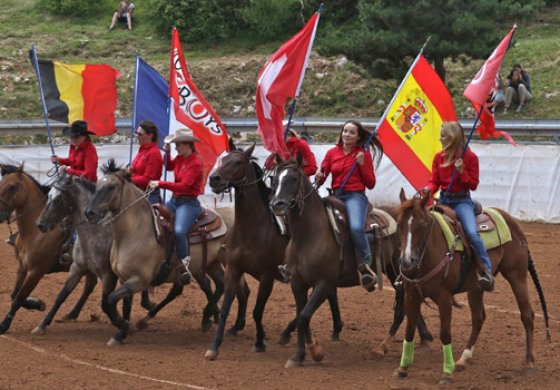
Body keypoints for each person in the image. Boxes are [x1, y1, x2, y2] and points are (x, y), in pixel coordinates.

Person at [424, 121, 494, 291]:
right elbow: (435, 181)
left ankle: (486, 270)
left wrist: (462, 172)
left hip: (462, 201)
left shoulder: (470, 158)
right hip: (444, 200)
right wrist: (427, 190)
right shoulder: (438, 157)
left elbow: (473, 185)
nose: (440, 139)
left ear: (453, 137)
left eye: (443, 135)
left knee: (471, 232)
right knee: (423, 225)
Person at [314, 120, 383, 292]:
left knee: (355, 228)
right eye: (345, 131)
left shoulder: (363, 154)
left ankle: (366, 264)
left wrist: (361, 165)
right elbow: (323, 176)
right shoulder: (332, 153)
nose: (347, 135)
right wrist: (318, 176)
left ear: (358, 137)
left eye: (352, 132)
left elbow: (371, 183)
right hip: (335, 195)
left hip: (355, 196)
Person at [148, 129, 202, 285]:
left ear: (187, 145)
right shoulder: (180, 158)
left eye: (177, 145)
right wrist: (167, 153)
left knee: (179, 231)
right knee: (154, 218)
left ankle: (185, 267)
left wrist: (160, 184)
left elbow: (185, 186)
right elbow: (170, 166)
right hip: (175, 200)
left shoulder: (196, 163)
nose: (176, 147)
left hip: (188, 203)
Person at [50, 120, 99, 265]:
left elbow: (89, 174)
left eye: (75, 137)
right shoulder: (74, 147)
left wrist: (69, 170)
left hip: (86, 187)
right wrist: (60, 161)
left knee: (81, 215)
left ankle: (78, 245)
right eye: (71, 137)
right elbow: (72, 161)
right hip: (73, 185)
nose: (72, 139)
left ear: (84, 136)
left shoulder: (90, 150)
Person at [130, 120, 163, 205]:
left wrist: (130, 179)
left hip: (149, 193)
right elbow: (134, 169)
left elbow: (148, 179)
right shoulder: (142, 150)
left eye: (140, 134)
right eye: (136, 133)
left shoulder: (153, 153)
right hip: (136, 191)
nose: (137, 136)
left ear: (150, 135)